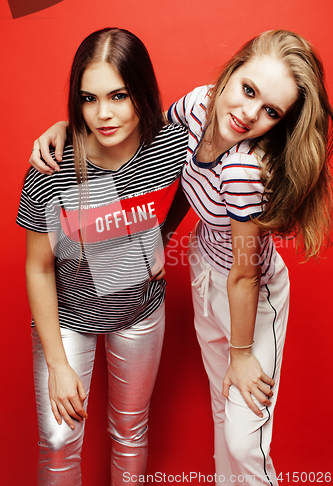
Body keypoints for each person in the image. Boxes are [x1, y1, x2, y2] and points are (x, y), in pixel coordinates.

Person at [28, 30, 333, 486]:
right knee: (215, 414)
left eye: (271, 110)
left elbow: (245, 274)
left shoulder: (232, 165)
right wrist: (65, 128)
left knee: (239, 439)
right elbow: (150, 142)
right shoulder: (192, 112)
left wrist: (243, 352)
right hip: (191, 274)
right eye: (248, 90)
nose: (249, 114)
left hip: (238, 288)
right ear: (230, 74)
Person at [17, 27, 189, 486]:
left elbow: (191, 191)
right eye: (89, 99)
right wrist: (56, 363)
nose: (104, 115)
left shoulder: (174, 147)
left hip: (140, 314)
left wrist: (159, 240)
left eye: (119, 95)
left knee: (130, 433)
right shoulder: (52, 166)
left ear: (143, 92)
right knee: (58, 442)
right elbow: (37, 267)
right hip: (69, 320)